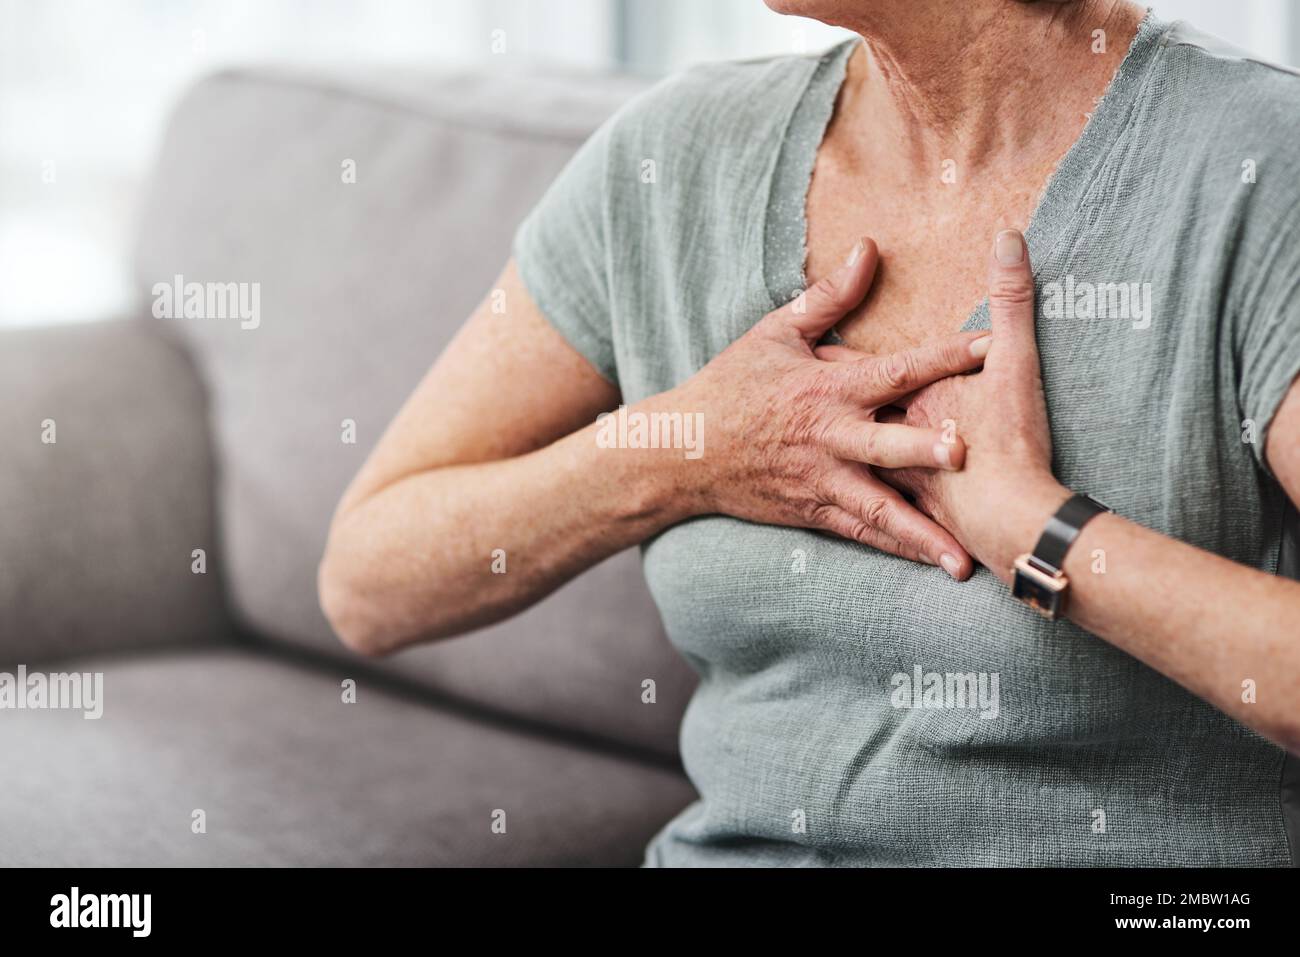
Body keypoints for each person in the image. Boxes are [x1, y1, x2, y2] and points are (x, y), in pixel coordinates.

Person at [319, 0, 1300, 865]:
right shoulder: (670, 161)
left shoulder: (1256, 167)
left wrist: (1039, 533)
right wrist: (681, 452)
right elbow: (370, 584)